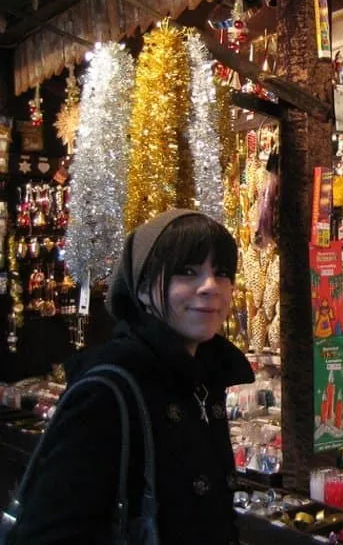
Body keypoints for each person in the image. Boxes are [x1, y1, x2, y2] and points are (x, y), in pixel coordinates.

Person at [9, 210, 255, 544]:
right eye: (187, 272)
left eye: (221, 272)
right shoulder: (109, 392)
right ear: (141, 288)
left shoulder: (205, 381)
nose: (210, 286)